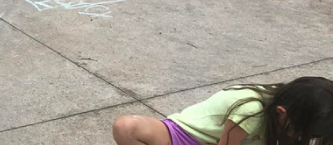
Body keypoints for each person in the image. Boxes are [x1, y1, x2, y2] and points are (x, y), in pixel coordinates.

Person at [112, 77, 333, 145]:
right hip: (188, 136)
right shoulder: (251, 110)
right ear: (283, 112)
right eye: (308, 133)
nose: (310, 138)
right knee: (126, 127)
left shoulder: (311, 108)